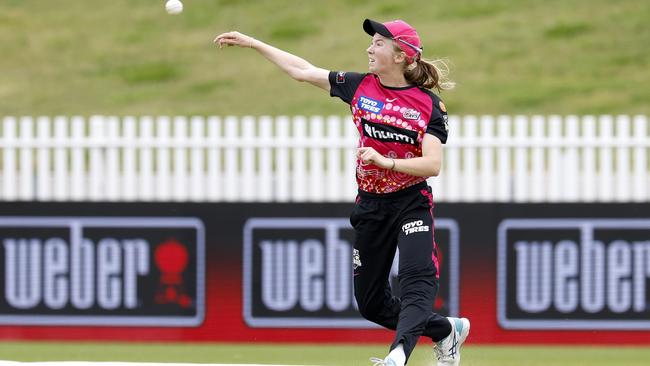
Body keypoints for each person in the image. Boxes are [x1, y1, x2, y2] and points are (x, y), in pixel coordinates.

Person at [215, 18, 470, 366]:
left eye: (379, 43)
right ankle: (445, 331)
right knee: (370, 304)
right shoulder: (359, 86)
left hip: (411, 203)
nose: (369, 48)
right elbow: (303, 71)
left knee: (416, 279)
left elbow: (432, 165)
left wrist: (387, 162)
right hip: (370, 205)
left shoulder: (428, 105)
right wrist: (255, 43)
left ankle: (398, 356)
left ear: (401, 56)